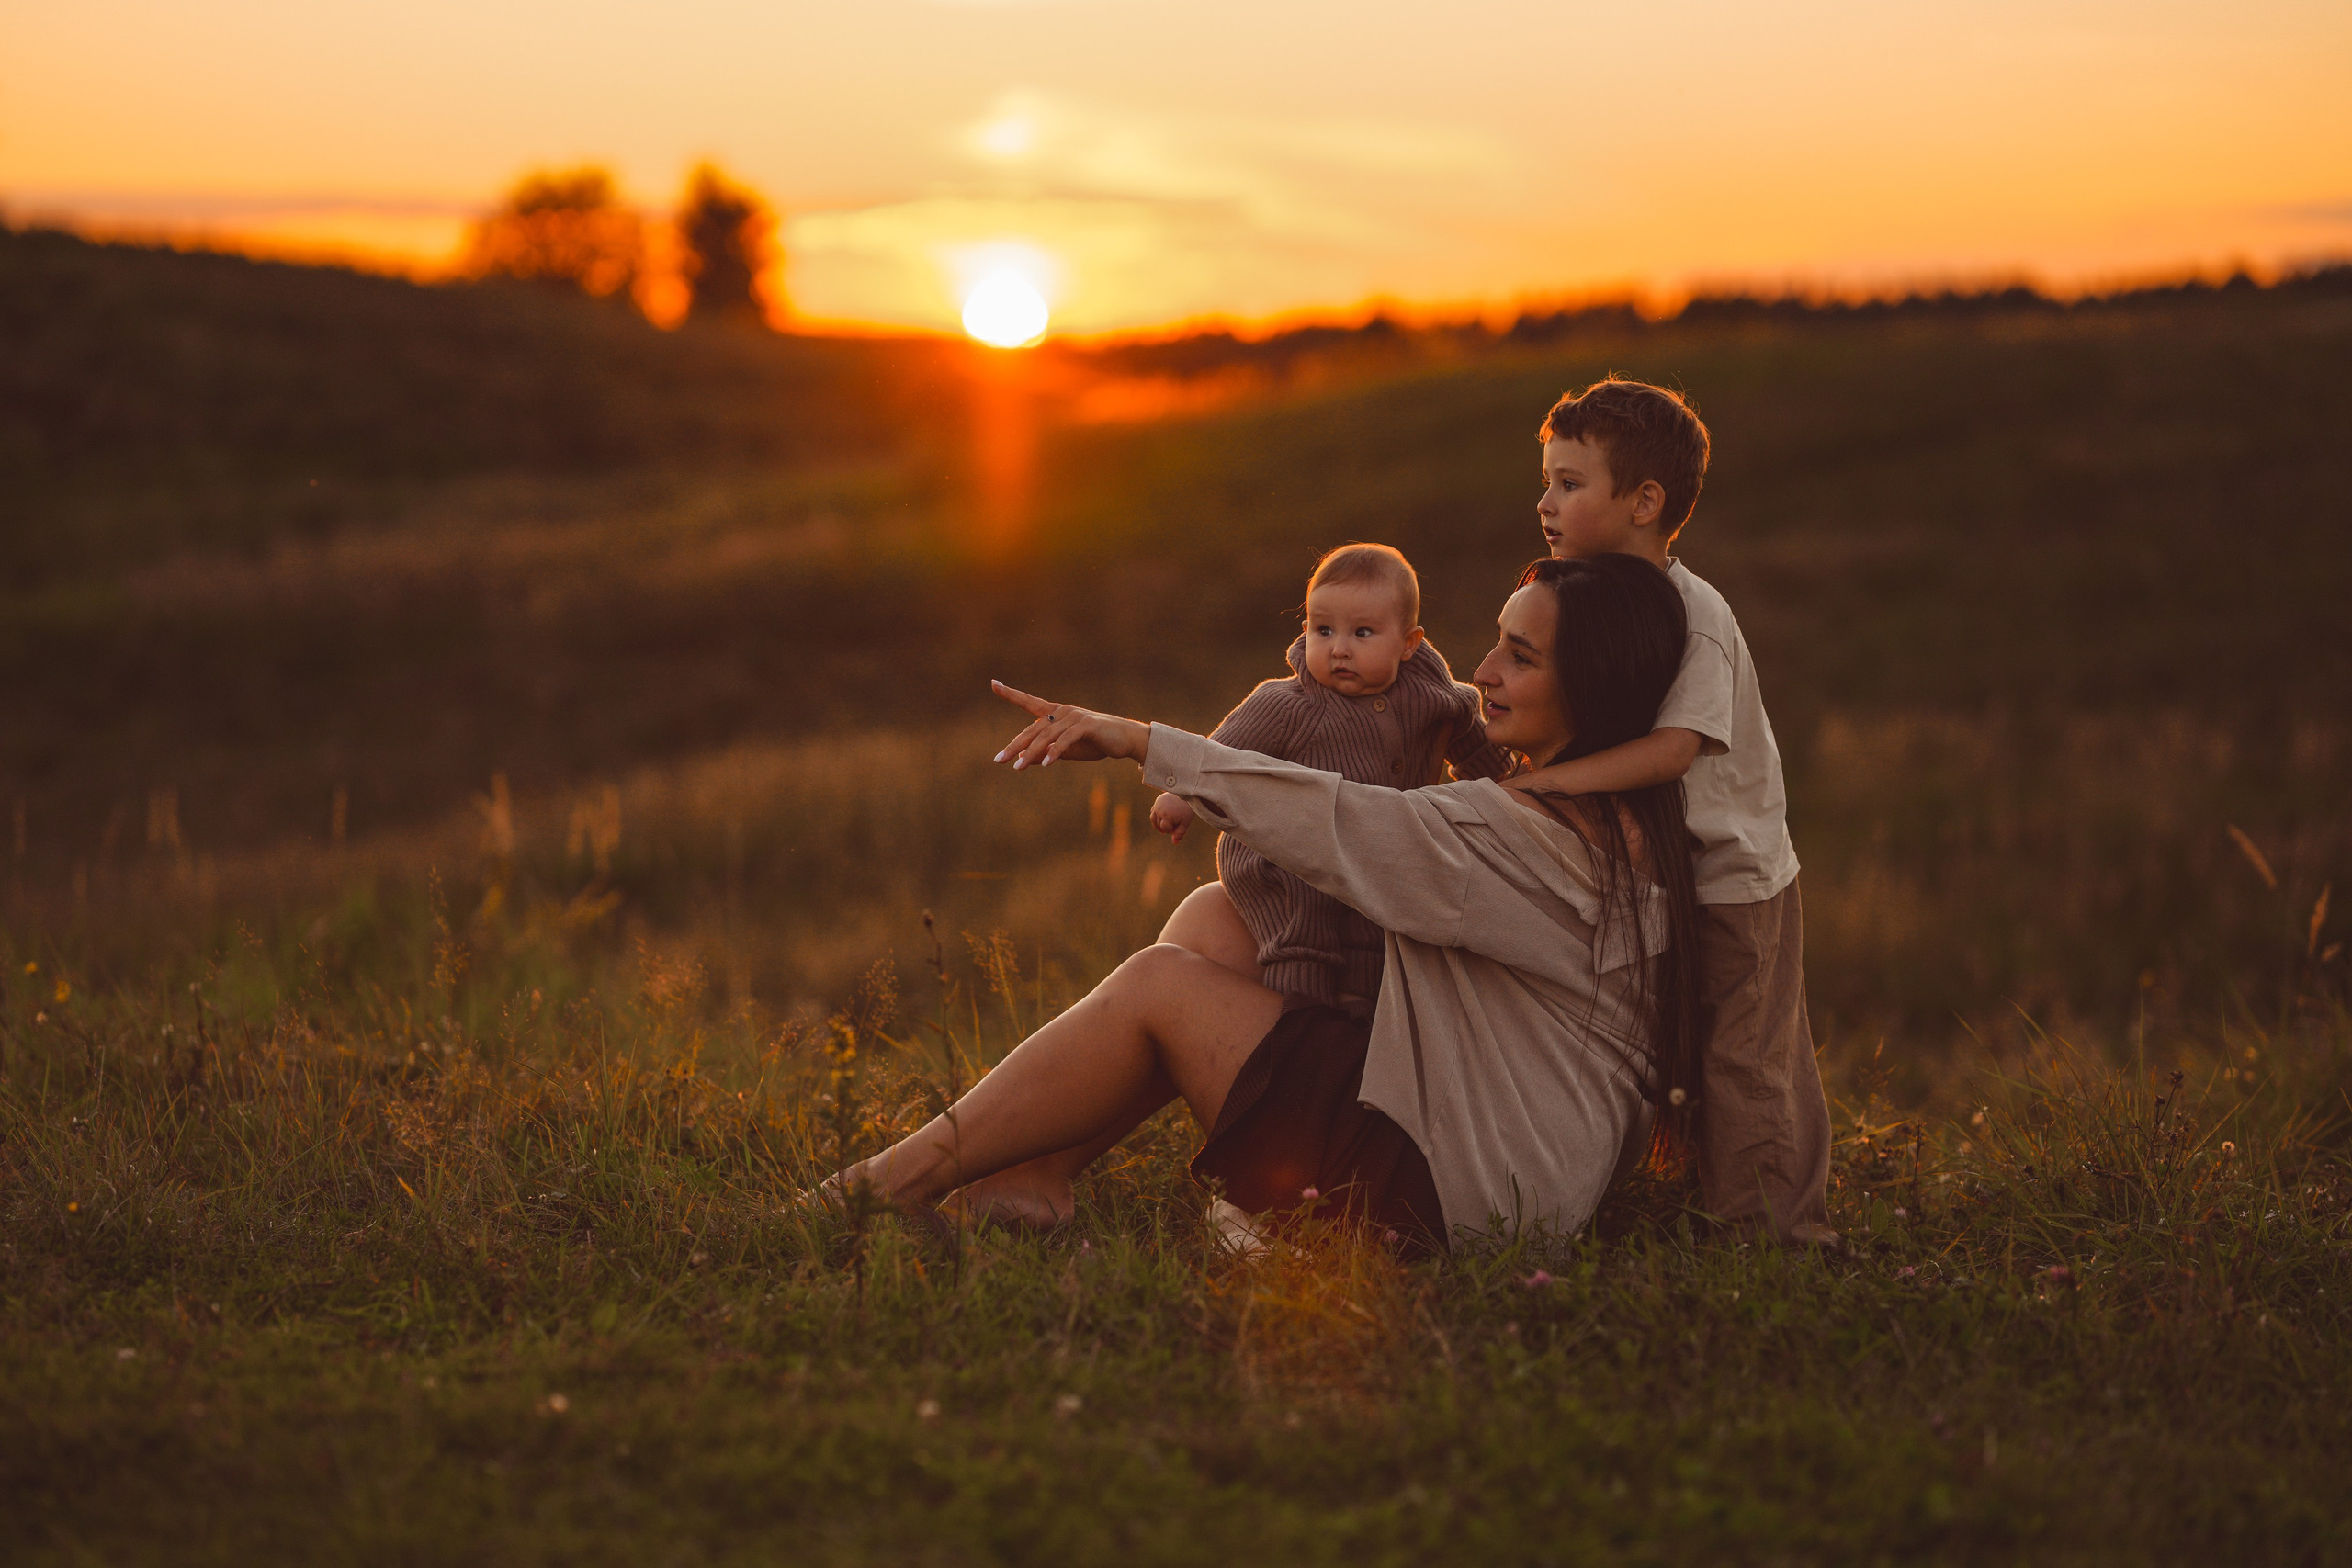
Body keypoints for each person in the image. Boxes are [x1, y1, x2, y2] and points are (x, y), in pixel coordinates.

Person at [834, 556, 1704, 1254]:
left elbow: (1347, 823)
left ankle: (878, 1189)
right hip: (1489, 1155)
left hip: (1450, 1192)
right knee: (1221, 913)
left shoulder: (1532, 836)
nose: (1482, 673)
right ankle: (1038, 1175)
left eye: (1521, 654)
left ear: (1592, 689)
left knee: (1161, 986)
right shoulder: (1622, 818)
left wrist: (1140, 741)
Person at [1509, 377, 1836, 1247]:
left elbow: (1673, 749)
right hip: (1661, 873)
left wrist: (1548, 786)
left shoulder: (1695, 613)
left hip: (1734, 876)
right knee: (1676, 1045)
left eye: (1570, 484)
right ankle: (1686, 1192)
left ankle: (1773, 1236)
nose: (1545, 502)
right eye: (1547, 480)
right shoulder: (1594, 601)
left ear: (1644, 502)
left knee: (1747, 1053)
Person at [1148, 542, 1511, 1013]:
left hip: (1380, 852)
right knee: (1307, 923)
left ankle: (1363, 1005)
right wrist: (1181, 794)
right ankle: (1298, 1012)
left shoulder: (1432, 692)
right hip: (1288, 857)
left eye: (1362, 632)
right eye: (1323, 630)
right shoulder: (1290, 703)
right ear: (1306, 630)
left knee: (1380, 922)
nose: (1339, 648)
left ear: (1408, 643)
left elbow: (1471, 738)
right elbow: (1220, 753)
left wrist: (1504, 781)